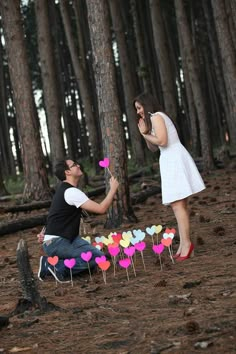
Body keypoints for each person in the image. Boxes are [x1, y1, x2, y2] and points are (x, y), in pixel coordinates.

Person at [133, 92, 205, 262]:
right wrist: (144, 133)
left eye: (139, 107)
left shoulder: (157, 116)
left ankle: (186, 244)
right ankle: (184, 245)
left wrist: (145, 134)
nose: (137, 112)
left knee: (177, 205)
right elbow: (153, 147)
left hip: (174, 159)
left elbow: (163, 141)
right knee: (179, 205)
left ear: (147, 104)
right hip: (170, 159)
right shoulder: (154, 119)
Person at [38, 158, 119, 282]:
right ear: (67, 172)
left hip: (65, 239)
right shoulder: (71, 192)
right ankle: (57, 267)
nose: (78, 165)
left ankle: (48, 263)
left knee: (99, 258)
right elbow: (101, 209)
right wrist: (112, 189)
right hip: (58, 242)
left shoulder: (65, 190)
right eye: (74, 165)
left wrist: (45, 232)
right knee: (96, 258)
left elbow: (55, 215)